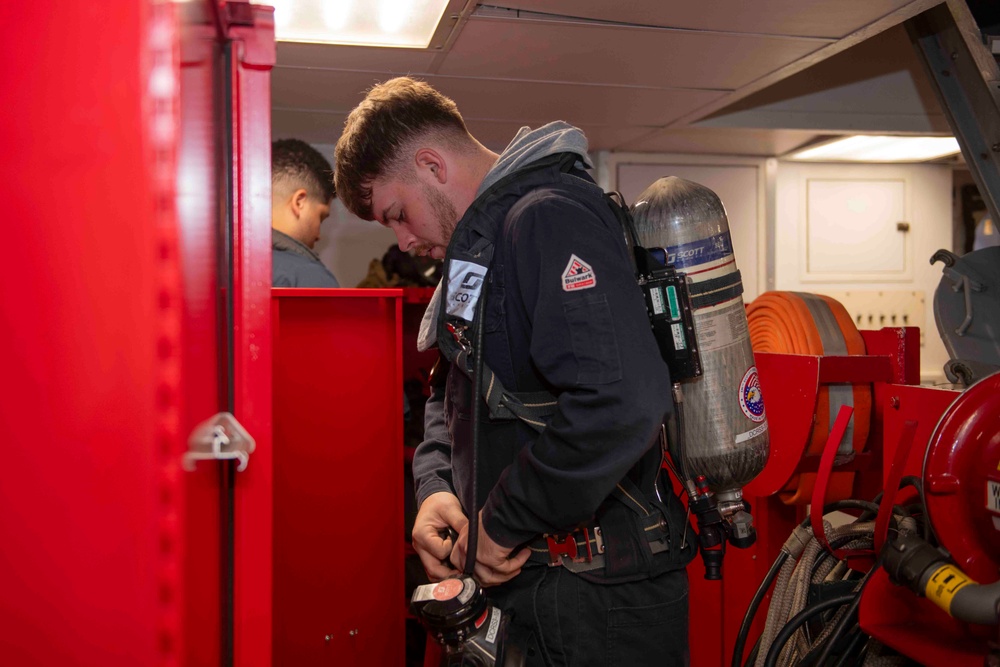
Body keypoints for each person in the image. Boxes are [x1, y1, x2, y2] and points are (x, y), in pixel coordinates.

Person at [334, 77, 694, 665]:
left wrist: (501, 523)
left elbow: (622, 399)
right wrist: (434, 489)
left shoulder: (547, 219)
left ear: (431, 164)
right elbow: (450, 392)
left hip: (598, 604)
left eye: (398, 214)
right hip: (530, 590)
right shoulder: (479, 251)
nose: (404, 240)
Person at [271, 138, 340, 287]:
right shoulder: (310, 277)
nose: (318, 236)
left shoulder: (222, 265)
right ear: (299, 202)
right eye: (321, 217)